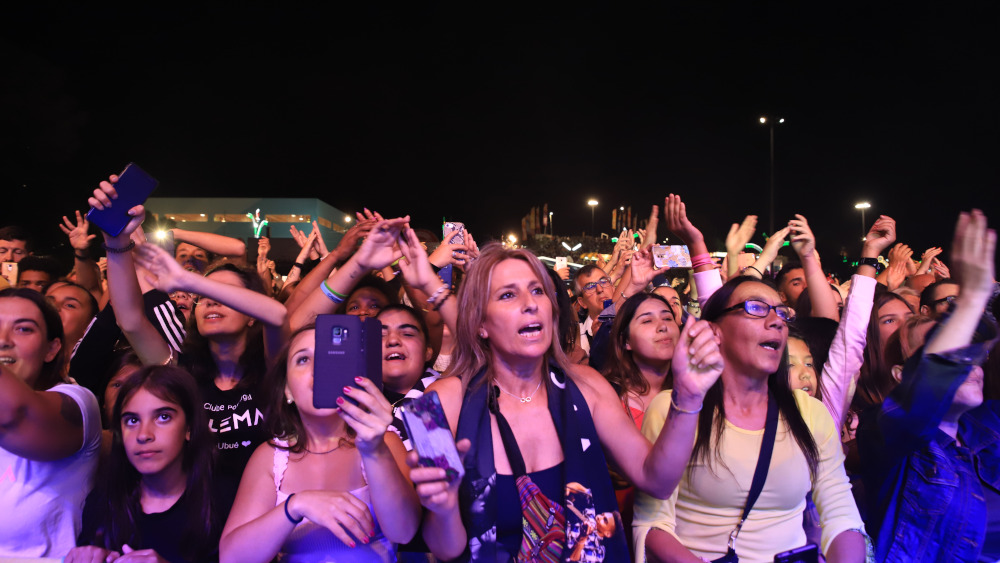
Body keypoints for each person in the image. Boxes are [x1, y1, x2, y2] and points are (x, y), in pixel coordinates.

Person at [409, 241, 725, 562]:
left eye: (537, 291)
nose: (530, 304)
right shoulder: (438, 405)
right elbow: (444, 549)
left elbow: (656, 481)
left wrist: (688, 396)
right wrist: (444, 507)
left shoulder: (588, 385)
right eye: (507, 294)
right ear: (480, 323)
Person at [633, 276, 866, 563]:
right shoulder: (673, 408)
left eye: (782, 312)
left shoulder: (810, 413)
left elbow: (840, 514)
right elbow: (653, 523)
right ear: (714, 330)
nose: (776, 321)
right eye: (756, 308)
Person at [86, 175, 286, 506]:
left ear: (251, 312)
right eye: (202, 296)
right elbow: (131, 319)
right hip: (201, 516)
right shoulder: (183, 372)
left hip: (269, 515)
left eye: (227, 294)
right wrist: (116, 240)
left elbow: (277, 316)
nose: (209, 301)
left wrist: (188, 279)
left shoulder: (272, 366)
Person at [858, 209, 999, 562]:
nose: (963, 358)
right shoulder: (884, 433)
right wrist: (971, 300)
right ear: (901, 374)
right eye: (941, 350)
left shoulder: (990, 424)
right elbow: (922, 398)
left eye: (964, 348)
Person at [219, 325, 420, 563]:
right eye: (303, 359)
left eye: (327, 357)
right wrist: (295, 506)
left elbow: (404, 532)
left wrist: (374, 450)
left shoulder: (384, 441)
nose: (318, 368)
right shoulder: (271, 457)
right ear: (286, 390)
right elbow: (232, 558)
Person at [71, 365, 219, 563]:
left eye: (163, 417)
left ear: (189, 427)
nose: (143, 435)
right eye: (132, 420)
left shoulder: (224, 500)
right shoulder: (103, 501)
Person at [0, 287, 102, 557]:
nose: (2, 340)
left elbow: (15, 415)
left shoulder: (78, 402)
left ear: (51, 348)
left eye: (23, 329)